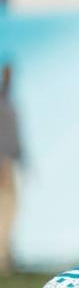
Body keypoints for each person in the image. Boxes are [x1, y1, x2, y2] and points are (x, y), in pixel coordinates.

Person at [0, 64, 22, 275]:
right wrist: (3, 165)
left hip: (10, 164)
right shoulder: (2, 105)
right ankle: (3, 258)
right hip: (5, 166)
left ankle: (6, 256)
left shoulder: (8, 103)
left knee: (10, 211)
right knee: (5, 212)